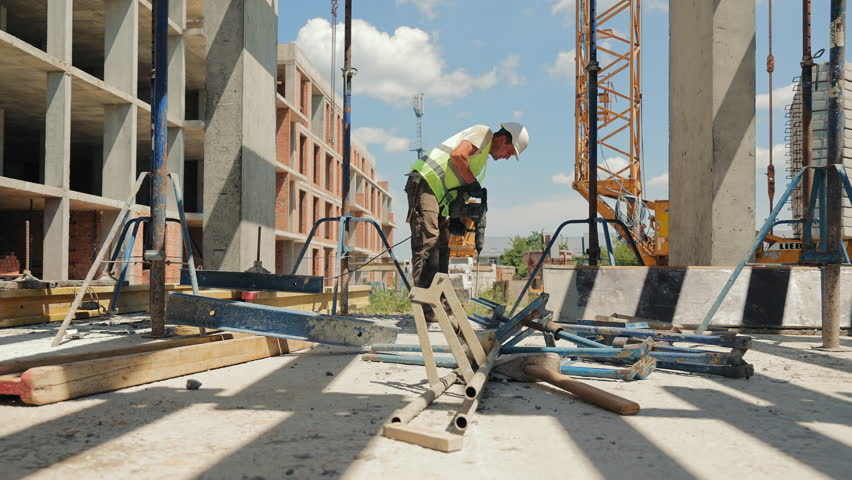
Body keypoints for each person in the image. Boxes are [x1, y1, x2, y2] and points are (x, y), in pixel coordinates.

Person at [405, 122, 529, 291]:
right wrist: (473, 183)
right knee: (428, 243)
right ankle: (426, 308)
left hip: (437, 195)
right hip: (425, 182)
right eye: (509, 152)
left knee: (442, 248)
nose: (507, 157)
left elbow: (455, 187)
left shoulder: (481, 159)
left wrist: (455, 217)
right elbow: (457, 156)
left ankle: (440, 302)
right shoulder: (483, 133)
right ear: (501, 139)